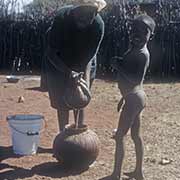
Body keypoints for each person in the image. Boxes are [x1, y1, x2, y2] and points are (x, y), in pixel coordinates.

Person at [103, 14, 156, 180]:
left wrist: (118, 66)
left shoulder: (142, 54)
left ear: (150, 36)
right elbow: (130, 73)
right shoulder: (134, 50)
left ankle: (116, 174)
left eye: (143, 32)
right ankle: (138, 172)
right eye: (133, 30)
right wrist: (121, 62)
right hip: (134, 97)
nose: (137, 34)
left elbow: (135, 79)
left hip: (134, 98)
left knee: (120, 136)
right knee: (135, 135)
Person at [44, 0, 106, 131]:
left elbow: (89, 57)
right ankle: (64, 136)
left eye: (90, 14)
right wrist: (68, 72)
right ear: (74, 10)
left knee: (80, 97)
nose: (84, 17)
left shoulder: (98, 25)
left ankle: (79, 134)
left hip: (84, 60)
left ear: (96, 13)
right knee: (62, 102)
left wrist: (85, 83)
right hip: (59, 61)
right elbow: (51, 53)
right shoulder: (61, 18)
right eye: (81, 13)